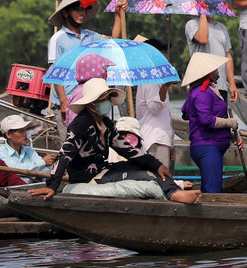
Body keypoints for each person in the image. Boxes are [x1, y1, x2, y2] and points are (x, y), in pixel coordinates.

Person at [29, 78, 201, 203]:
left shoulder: (104, 123)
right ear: (91, 103)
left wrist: (157, 165)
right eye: (103, 99)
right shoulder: (81, 124)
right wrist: (52, 185)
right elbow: (64, 155)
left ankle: (173, 191)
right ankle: (174, 195)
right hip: (88, 176)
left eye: (108, 99)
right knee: (145, 175)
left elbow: (129, 150)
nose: (108, 103)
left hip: (104, 169)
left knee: (148, 168)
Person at [47, 0, 126, 136]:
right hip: (69, 102)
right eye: (77, 10)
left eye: (84, 9)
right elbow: (55, 73)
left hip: (89, 100)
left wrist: (118, 14)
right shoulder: (57, 39)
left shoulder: (90, 36)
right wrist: (64, 102)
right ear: (66, 13)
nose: (82, 13)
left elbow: (113, 40)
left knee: (93, 144)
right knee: (70, 145)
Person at [181, 52, 242, 193]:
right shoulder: (202, 93)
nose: (218, 72)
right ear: (207, 73)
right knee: (212, 192)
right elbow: (206, 120)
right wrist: (230, 123)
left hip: (211, 146)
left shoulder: (207, 90)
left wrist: (232, 136)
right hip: (207, 147)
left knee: (210, 188)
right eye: (215, 69)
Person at [135, 38, 176, 171]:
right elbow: (154, 109)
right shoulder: (150, 79)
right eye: (162, 53)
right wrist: (164, 89)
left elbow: (166, 117)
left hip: (161, 138)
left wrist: (172, 144)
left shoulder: (157, 78)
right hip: (154, 139)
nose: (165, 57)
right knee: (160, 180)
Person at [185, 14, 238, 103]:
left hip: (221, 85)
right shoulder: (192, 24)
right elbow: (203, 39)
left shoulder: (221, 27)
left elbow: (227, 55)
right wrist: (203, 15)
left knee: (221, 115)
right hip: (202, 85)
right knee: (205, 115)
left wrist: (232, 84)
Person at [0, 115, 56, 182]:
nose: (25, 134)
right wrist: (43, 162)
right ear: (8, 134)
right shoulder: (1, 153)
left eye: (25, 130)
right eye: (21, 131)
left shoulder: (29, 151)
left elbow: (43, 170)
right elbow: (15, 169)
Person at [65, 54, 116, 127]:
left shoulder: (79, 91)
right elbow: (77, 128)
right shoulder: (85, 94)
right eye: (105, 69)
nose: (106, 73)